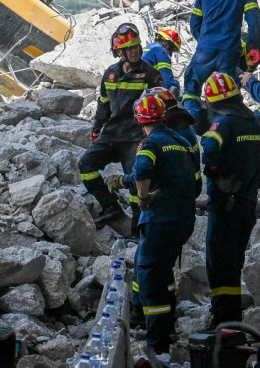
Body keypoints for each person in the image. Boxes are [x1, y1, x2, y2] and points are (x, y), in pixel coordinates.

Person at [126, 88, 200, 361]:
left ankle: (158, 349)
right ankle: (166, 329)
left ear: (139, 119)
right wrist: (125, 180)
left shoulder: (150, 144)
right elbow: (189, 181)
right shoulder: (180, 141)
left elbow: (144, 172)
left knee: (150, 278)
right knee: (163, 272)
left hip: (159, 221)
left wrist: (143, 198)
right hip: (183, 219)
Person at [199, 72, 260, 328]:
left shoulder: (222, 124)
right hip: (246, 205)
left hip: (224, 206)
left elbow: (209, 152)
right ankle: (233, 317)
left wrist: (216, 173)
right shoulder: (252, 122)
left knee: (219, 262)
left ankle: (224, 318)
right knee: (234, 260)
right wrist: (257, 180)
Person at [81, 24, 155, 228]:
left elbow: (162, 106)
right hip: (112, 134)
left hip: (135, 137)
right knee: (85, 165)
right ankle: (110, 207)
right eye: (129, 48)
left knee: (136, 182)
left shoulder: (149, 74)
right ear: (119, 52)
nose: (135, 51)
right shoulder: (110, 74)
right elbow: (103, 104)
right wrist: (97, 129)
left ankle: (137, 228)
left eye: (137, 46)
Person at [185, 0, 260, 130]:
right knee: (227, 92)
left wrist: (205, 41)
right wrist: (253, 48)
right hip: (229, 52)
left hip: (204, 50)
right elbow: (254, 24)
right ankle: (223, 129)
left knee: (191, 88)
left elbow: (194, 23)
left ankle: (192, 126)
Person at [143, 28, 183, 100]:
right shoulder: (162, 51)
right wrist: (176, 86)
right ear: (167, 45)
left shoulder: (148, 49)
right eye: (172, 50)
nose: (171, 54)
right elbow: (167, 82)